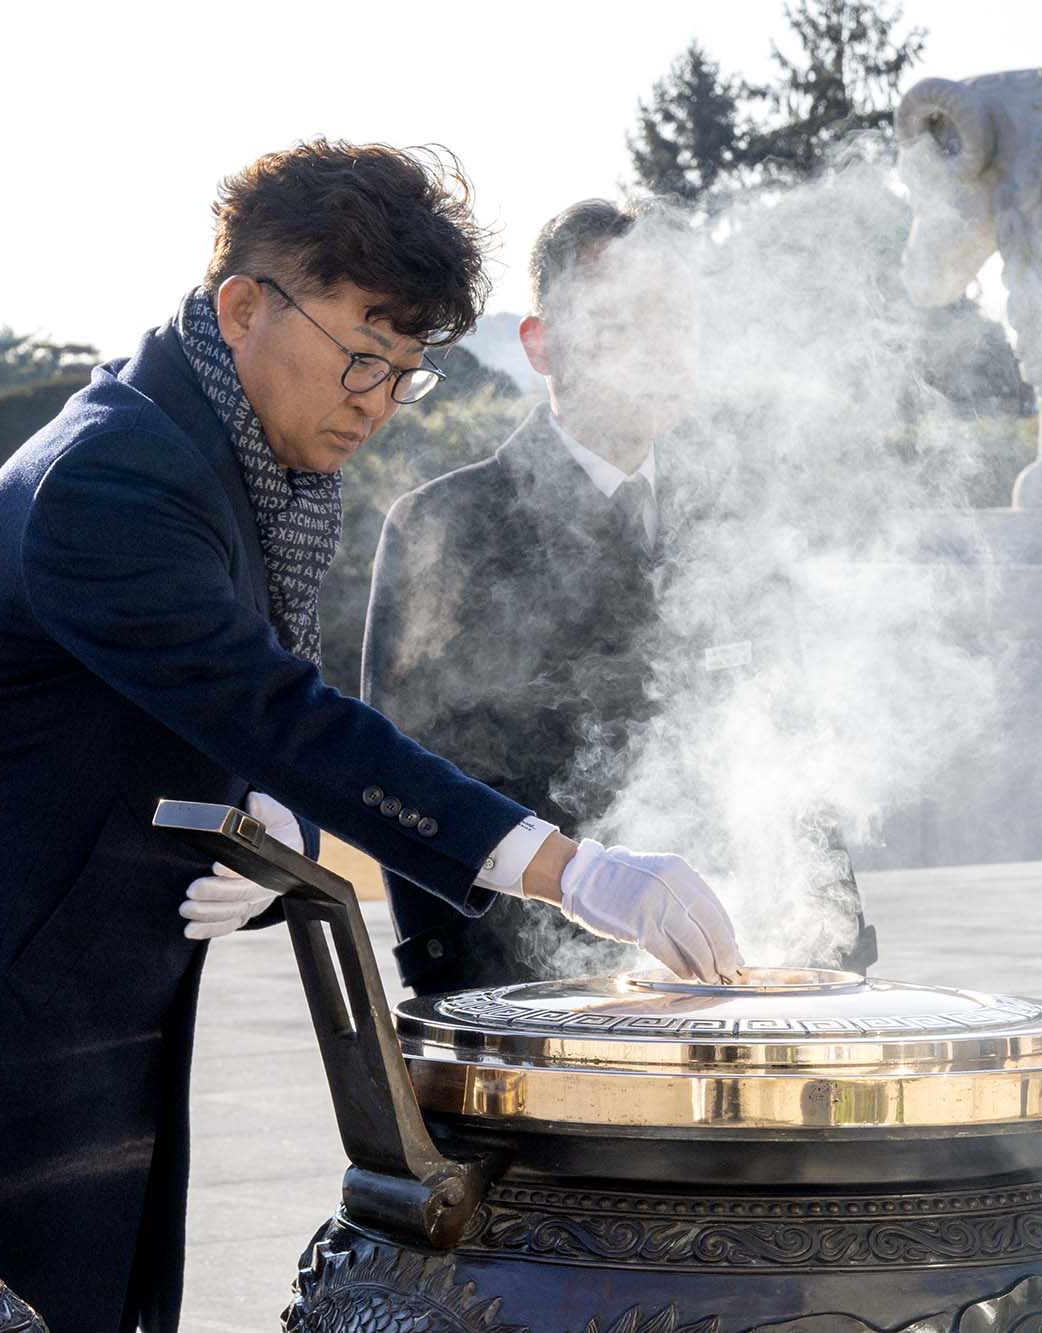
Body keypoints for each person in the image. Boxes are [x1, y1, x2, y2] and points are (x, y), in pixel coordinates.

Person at [0, 143, 740, 1333]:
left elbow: (222, 719)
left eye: (404, 373)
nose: (375, 400)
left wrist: (274, 821)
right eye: (361, 355)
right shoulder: (113, 474)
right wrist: (570, 870)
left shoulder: (231, 466)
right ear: (245, 305)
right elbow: (272, 710)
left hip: (69, 1016)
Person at [363, 199, 875, 997]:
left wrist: (840, 954)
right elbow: (407, 789)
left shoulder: (735, 518)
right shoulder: (448, 527)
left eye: (675, 324)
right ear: (540, 343)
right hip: (540, 997)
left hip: (746, 980)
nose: (655, 352)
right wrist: (475, 1001)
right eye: (618, 323)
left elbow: (794, 749)